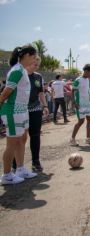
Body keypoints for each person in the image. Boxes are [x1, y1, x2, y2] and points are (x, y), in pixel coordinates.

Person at [0, 45, 38, 185]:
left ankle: (20, 169)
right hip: (12, 110)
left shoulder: (22, 70)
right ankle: (7, 175)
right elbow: (6, 92)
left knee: (22, 138)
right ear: (26, 55)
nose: (35, 60)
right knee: (12, 143)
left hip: (22, 110)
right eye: (33, 56)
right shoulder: (16, 70)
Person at [70, 64, 90, 146]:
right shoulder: (78, 80)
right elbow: (73, 91)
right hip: (80, 104)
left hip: (87, 104)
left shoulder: (88, 80)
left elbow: (87, 91)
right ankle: (72, 139)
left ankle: (88, 138)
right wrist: (74, 103)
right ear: (86, 71)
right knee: (81, 121)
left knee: (89, 120)